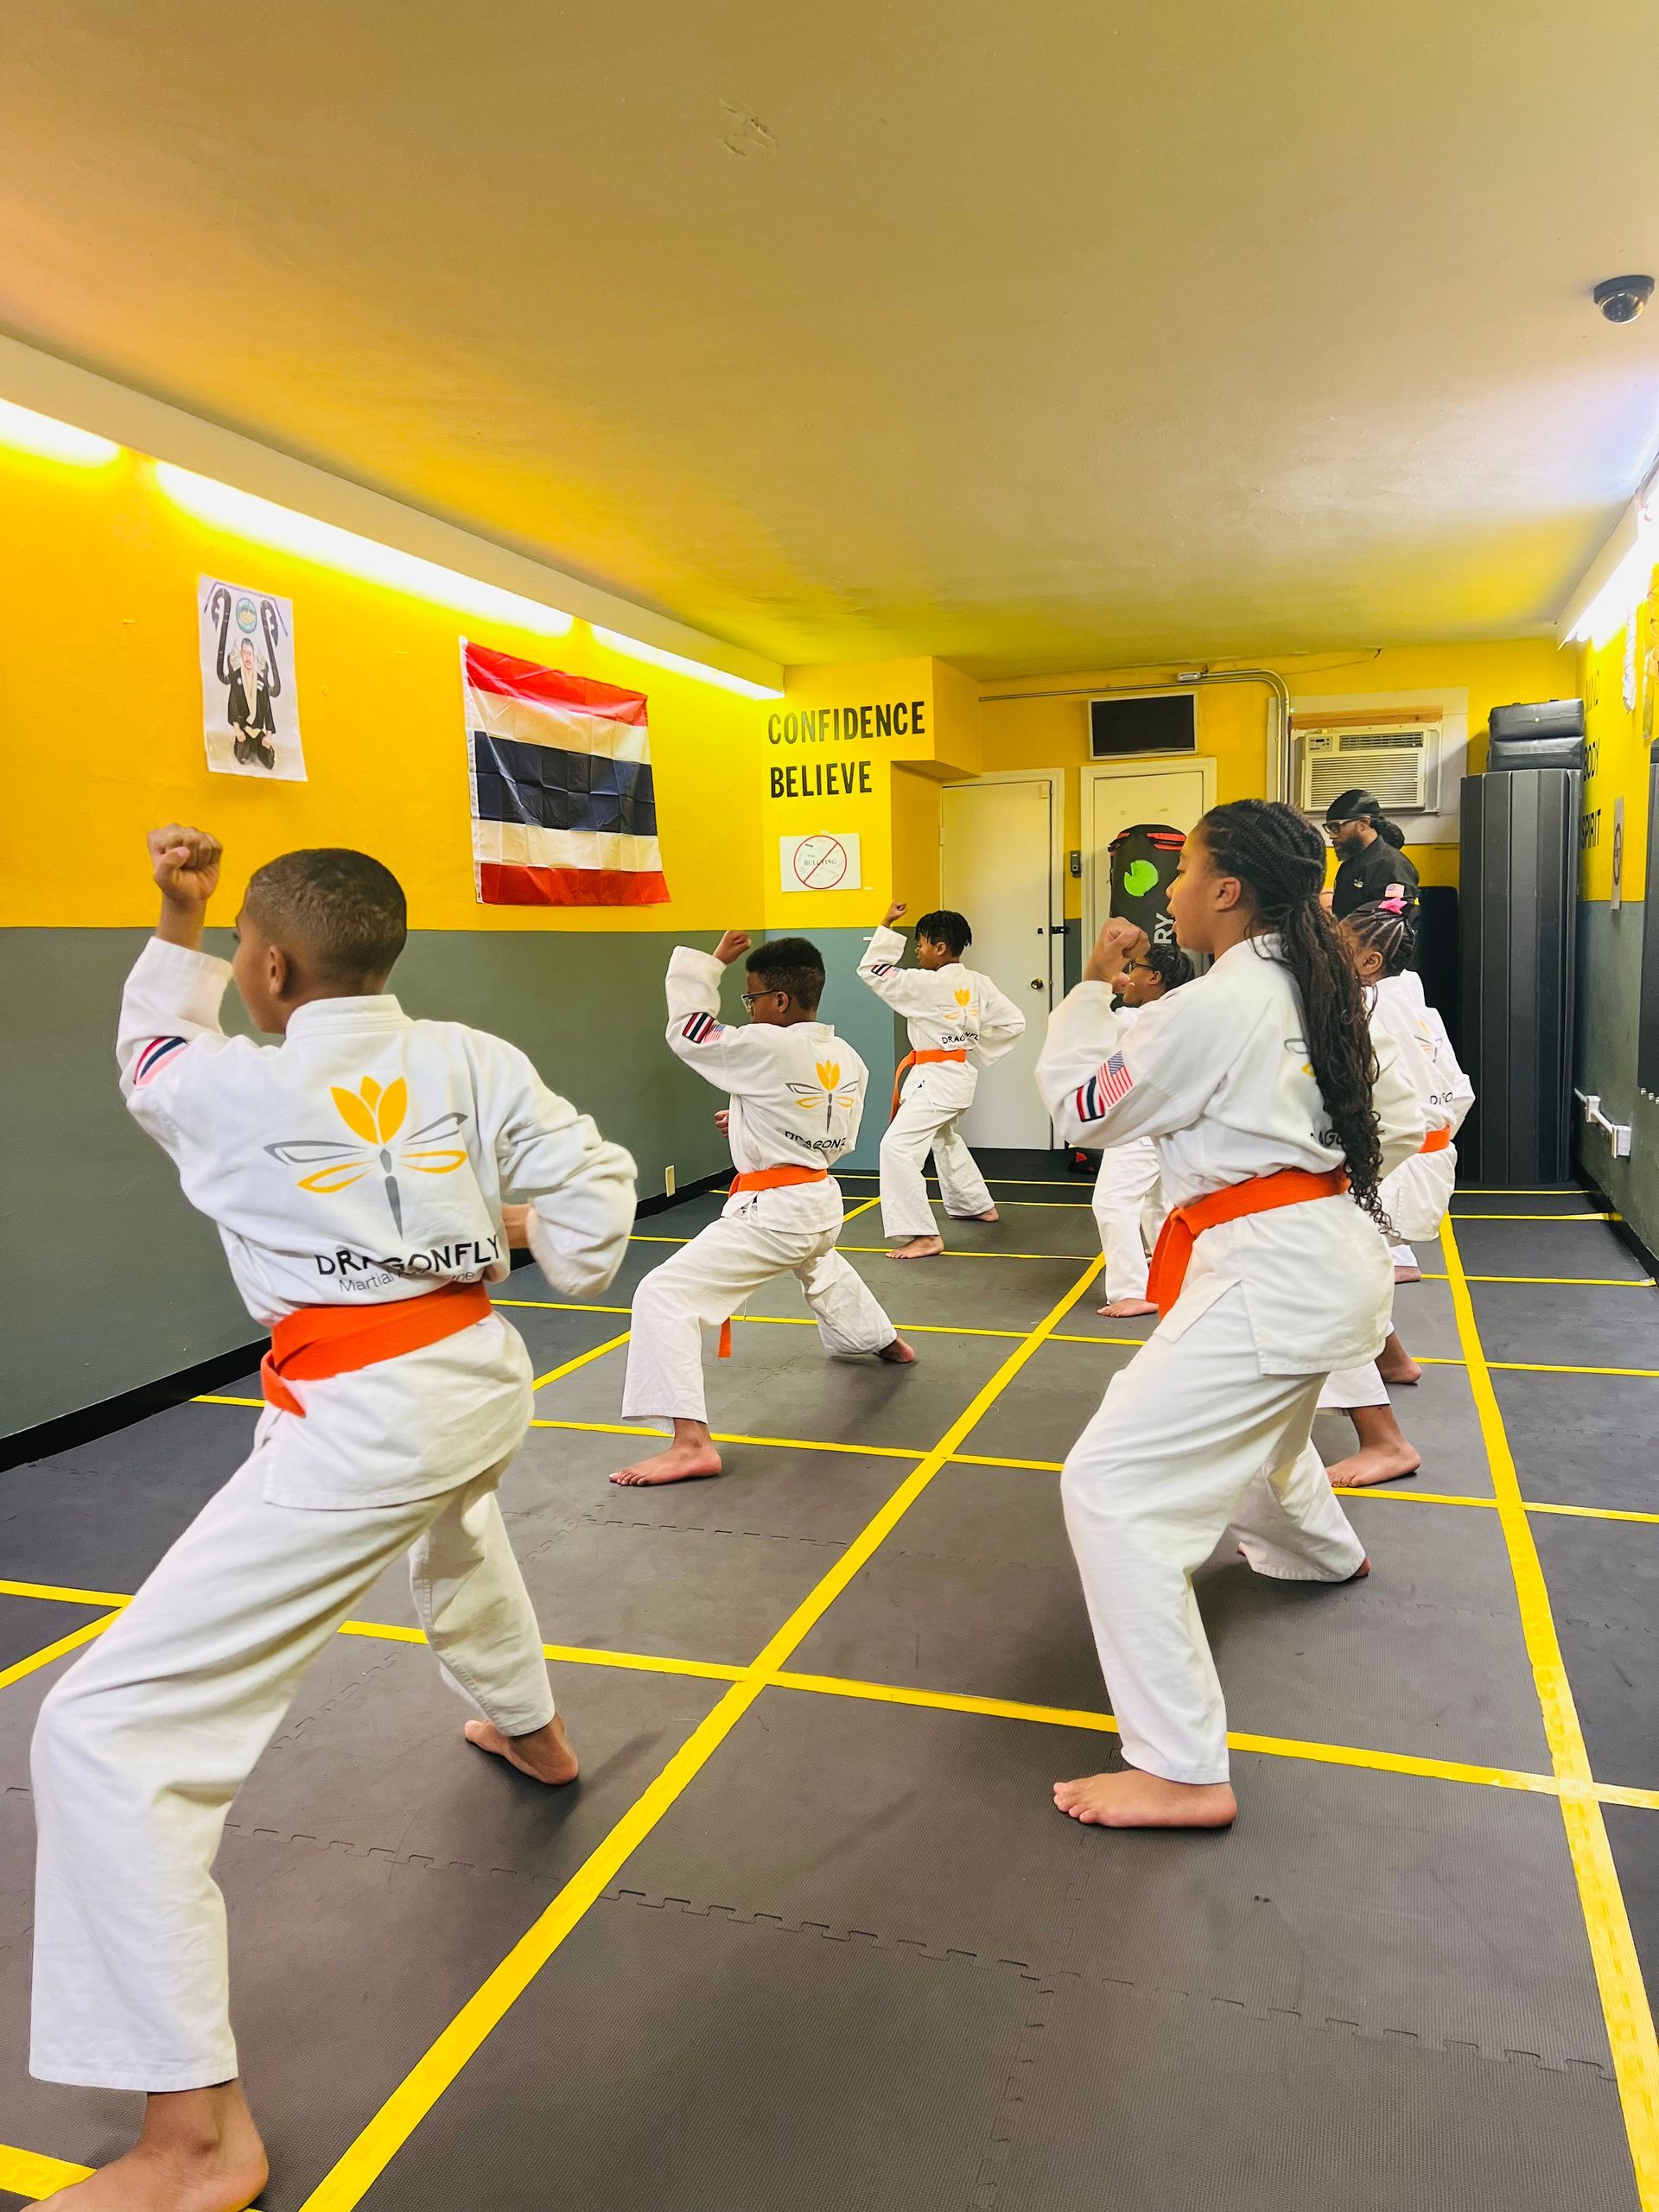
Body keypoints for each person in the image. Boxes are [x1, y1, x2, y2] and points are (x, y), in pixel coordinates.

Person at [30, 825, 637, 2212]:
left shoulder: (222, 1080)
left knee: (107, 1734)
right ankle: (534, 1731)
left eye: (240, 944)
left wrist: (172, 922)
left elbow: (145, 1055)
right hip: (481, 1377)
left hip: (364, 1419)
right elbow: (592, 1172)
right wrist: (568, 1254)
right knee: (458, 1527)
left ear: (270, 963)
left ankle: (195, 2145)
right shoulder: (473, 1056)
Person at [1036, 799, 1423, 1832]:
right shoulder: (1316, 981)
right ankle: (1320, 1551)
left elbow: (1080, 1111)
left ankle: (1182, 1767)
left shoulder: (1219, 1002)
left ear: (1227, 888)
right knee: (1271, 1430)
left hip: (1270, 1269)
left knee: (1111, 1486)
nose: (1167, 891)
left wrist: (1085, 990)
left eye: (1184, 870)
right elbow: (1391, 1121)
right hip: (1323, 1257)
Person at [614, 931, 914, 1486]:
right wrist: (754, 1121)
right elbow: (821, 1121)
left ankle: (690, 1445)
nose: (746, 1010)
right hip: (820, 1204)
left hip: (773, 1213)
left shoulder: (766, 1045)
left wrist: (710, 966)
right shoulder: (844, 1054)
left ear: (778, 1000)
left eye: (750, 1000)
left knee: (663, 1295)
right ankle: (885, 1341)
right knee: (821, 1263)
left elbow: (689, 1033)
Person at [1318, 899, 1474, 1487]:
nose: (1326, 945)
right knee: (1359, 1259)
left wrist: (1355, 1168)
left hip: (1400, 1164)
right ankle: (1393, 1358)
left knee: (1331, 1276)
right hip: (1432, 1156)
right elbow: (1458, 1093)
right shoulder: (1412, 998)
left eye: (1336, 939)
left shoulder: (1360, 1009)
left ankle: (1383, 1440)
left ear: (1368, 959)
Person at [857, 900, 1027, 1259]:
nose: (917, 952)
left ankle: (923, 1234)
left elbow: (872, 970)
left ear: (940, 947)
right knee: (944, 1137)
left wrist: (886, 923)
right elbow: (1014, 1022)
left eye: (919, 944)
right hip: (956, 1076)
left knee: (896, 1148)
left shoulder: (924, 984)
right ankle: (975, 1204)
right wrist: (969, 1044)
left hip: (936, 1081)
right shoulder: (980, 983)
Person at [1091, 941, 1193, 1318]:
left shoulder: (1138, 1020)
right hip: (1170, 1124)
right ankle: (1175, 1274)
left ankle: (1133, 1289)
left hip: (1140, 1125)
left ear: (1154, 978)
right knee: (1158, 1203)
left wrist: (1104, 985)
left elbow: (1088, 1026)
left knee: (1113, 1202)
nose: (1129, 976)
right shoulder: (1181, 1015)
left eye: (1135, 969)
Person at [1324, 788, 1421, 920]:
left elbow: (1393, 928)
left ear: (1363, 824)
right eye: (1329, 828)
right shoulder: (1349, 865)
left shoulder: (1391, 865)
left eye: (1336, 827)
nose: (1331, 835)